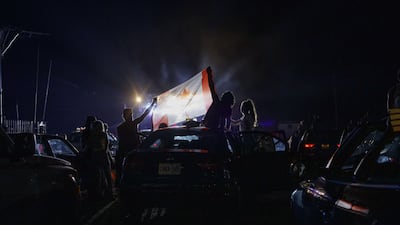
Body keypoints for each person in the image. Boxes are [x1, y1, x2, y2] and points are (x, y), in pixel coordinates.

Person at [116, 98, 157, 186]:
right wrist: (153, 103)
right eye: (130, 114)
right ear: (126, 116)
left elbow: (122, 140)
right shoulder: (133, 124)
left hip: (126, 151)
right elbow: (145, 114)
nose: (131, 116)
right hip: (133, 150)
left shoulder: (120, 127)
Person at [86, 119, 113, 200]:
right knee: (107, 175)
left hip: (95, 155)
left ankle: (98, 193)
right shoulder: (103, 134)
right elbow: (106, 146)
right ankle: (109, 193)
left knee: (97, 175)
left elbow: (89, 146)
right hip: (103, 155)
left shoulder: (92, 135)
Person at [202, 67, 235, 131]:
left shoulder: (217, 102)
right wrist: (225, 131)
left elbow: (212, 88)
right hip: (219, 134)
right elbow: (228, 123)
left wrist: (209, 75)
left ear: (223, 97)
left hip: (208, 130)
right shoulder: (228, 109)